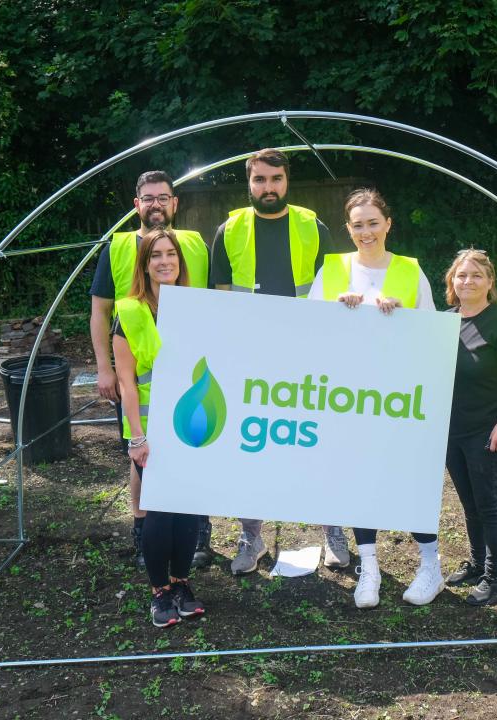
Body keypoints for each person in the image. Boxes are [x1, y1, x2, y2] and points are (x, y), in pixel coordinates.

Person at [211, 148, 347, 574]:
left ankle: (333, 530)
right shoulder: (228, 230)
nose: (267, 188)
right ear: (248, 183)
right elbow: (218, 300)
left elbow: (334, 291)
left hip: (308, 358)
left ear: (287, 182)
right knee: (251, 447)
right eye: (259, 180)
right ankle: (251, 537)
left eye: (275, 179)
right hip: (250, 361)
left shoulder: (312, 226)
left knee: (319, 443)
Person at [307, 188, 438, 608]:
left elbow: (432, 335)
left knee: (408, 481)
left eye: (373, 222)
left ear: (388, 224)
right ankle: (370, 568)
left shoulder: (411, 271)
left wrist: (405, 318)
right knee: (360, 479)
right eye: (357, 225)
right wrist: (335, 311)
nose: (366, 231)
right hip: (348, 398)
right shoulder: (330, 271)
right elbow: (308, 332)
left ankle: (430, 566)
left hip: (402, 398)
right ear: (347, 229)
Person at [89, 170, 211, 571]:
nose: (156, 204)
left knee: (196, 445)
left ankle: (198, 528)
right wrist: (104, 368)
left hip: (186, 373)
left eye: (164, 197)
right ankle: (143, 533)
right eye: (148, 198)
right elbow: (101, 311)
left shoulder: (193, 244)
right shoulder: (118, 246)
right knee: (141, 456)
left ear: (174, 203)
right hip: (137, 375)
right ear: (136, 204)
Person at [113, 227, 205, 627]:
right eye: (156, 255)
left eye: (171, 254)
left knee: (187, 512)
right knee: (159, 513)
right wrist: (137, 437)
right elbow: (126, 383)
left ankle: (181, 582)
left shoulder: (196, 308)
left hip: (192, 426)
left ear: (180, 262)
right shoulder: (130, 312)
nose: (165, 261)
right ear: (145, 264)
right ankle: (159, 593)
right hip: (150, 429)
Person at [442, 249, 497, 607]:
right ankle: (476, 562)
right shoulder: (444, 320)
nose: (467, 281)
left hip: (485, 429)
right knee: (468, 502)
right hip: (451, 429)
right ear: (451, 282)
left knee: (488, 503)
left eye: (475, 275)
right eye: (461, 275)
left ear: (489, 282)